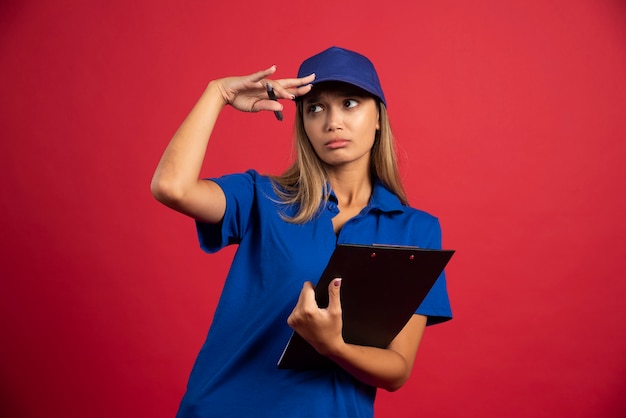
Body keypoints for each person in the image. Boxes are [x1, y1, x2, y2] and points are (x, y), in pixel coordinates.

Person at [151, 46, 452, 418]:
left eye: (350, 103)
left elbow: (396, 369)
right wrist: (218, 94)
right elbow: (172, 188)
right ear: (303, 124)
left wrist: (333, 346)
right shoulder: (262, 197)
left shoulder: (416, 229)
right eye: (315, 108)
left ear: (378, 117)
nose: (332, 123)